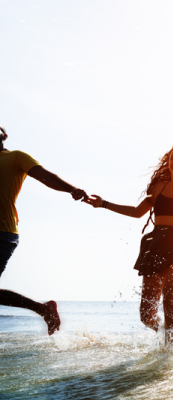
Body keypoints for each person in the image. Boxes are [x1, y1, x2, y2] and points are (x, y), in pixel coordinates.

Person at [86, 142, 173, 345]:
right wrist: (104, 204)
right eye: (172, 158)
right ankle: (163, 333)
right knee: (146, 314)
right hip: (156, 243)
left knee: (170, 297)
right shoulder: (158, 187)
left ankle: (171, 351)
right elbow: (136, 212)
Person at [0, 126, 88, 335]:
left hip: (3, 232)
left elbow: (45, 176)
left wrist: (71, 189)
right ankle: (43, 308)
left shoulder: (16, 157)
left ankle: (43, 309)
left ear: (4, 135)